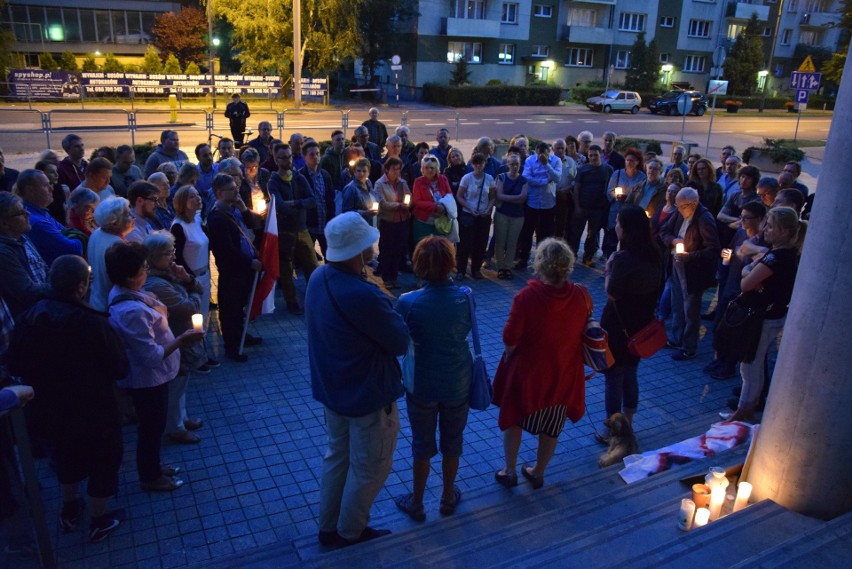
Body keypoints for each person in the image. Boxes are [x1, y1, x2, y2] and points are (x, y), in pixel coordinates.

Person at [305, 212, 409, 548]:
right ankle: (350, 531)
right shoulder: (364, 294)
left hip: (333, 391)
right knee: (369, 468)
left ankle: (328, 527)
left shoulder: (318, 278)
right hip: (367, 397)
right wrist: (382, 297)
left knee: (337, 458)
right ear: (357, 250)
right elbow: (399, 342)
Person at [8, 255, 129, 542]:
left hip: (48, 408)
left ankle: (70, 507)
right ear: (80, 287)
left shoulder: (29, 317)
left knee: (65, 457)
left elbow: (14, 364)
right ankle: (100, 518)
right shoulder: (92, 323)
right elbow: (119, 367)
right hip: (93, 408)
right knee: (103, 460)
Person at [106, 242, 202, 492]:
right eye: (143, 268)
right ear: (130, 275)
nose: (147, 272)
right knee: (151, 428)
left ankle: (154, 465)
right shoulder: (129, 311)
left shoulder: (127, 292)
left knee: (155, 425)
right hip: (147, 379)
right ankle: (149, 477)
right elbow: (151, 356)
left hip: (154, 377)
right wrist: (181, 339)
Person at [492, 238, 587, 489]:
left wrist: (511, 353)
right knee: (552, 426)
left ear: (540, 264)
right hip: (562, 373)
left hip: (528, 375)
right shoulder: (580, 295)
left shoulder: (526, 297)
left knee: (514, 419)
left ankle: (510, 470)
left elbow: (510, 339)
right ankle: (538, 472)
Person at [393, 236, 471, 521]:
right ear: (451, 263)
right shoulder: (466, 296)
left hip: (421, 382)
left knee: (421, 443)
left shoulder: (408, 302)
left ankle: (417, 501)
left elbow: (397, 340)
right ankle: (448, 496)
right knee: (454, 440)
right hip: (458, 381)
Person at [722, 207, 805, 422]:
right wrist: (751, 272)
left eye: (770, 226)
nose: (765, 229)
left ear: (785, 232)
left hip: (762, 319)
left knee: (750, 366)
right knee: (752, 364)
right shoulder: (778, 253)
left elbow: (746, 283)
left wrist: (750, 273)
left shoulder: (777, 257)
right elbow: (749, 275)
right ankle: (746, 407)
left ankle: (744, 410)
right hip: (767, 316)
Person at [599, 206, 663, 439]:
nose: (615, 226)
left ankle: (612, 429)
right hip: (641, 325)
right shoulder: (654, 253)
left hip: (618, 326)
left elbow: (613, 292)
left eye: (618, 222)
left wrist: (609, 270)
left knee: (613, 376)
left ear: (626, 229)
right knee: (630, 374)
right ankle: (629, 421)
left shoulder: (624, 258)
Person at [142, 232, 206, 444]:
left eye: (173, 251)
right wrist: (194, 295)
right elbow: (188, 307)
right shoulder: (155, 284)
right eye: (168, 253)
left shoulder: (168, 274)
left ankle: (182, 418)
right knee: (175, 386)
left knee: (182, 382)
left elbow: (196, 289)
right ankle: (175, 427)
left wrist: (187, 280)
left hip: (182, 338)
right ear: (154, 256)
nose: (173, 257)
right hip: (174, 339)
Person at [705, 201, 767, 380]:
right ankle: (719, 359)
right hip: (730, 284)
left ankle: (729, 365)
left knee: (734, 331)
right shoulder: (740, 233)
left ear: (760, 219)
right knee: (721, 327)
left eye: (748, 218)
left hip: (745, 292)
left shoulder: (763, 242)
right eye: (742, 217)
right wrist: (727, 257)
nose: (743, 221)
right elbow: (730, 251)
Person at [207, 174, 264, 361]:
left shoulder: (235, 208)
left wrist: (244, 209)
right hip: (232, 272)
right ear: (219, 193)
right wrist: (249, 262)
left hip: (244, 271)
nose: (236, 191)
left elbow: (253, 225)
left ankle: (242, 336)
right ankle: (232, 346)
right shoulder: (217, 217)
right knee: (230, 310)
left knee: (239, 307)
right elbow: (227, 250)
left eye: (236, 187)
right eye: (231, 189)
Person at [659, 188, 721, 360]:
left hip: (693, 270)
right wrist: (673, 240)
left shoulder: (704, 219)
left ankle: (689, 346)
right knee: (677, 302)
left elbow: (713, 250)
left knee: (690, 309)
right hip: (676, 263)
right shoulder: (681, 212)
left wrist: (690, 256)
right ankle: (676, 338)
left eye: (681, 206)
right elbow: (663, 230)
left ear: (692, 204)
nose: (678, 209)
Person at [171, 185, 217, 370]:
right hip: (190, 279)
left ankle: (201, 352)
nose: (198, 199)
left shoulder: (197, 220)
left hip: (204, 274)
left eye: (198, 195)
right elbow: (178, 256)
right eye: (192, 197)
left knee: (203, 315)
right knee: (193, 317)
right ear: (182, 203)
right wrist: (189, 279)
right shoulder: (178, 227)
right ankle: (194, 356)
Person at [267, 144, 317, 315]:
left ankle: (315, 298)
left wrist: (295, 203)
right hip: (285, 231)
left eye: (289, 156)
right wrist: (300, 203)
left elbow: (312, 200)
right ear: (276, 159)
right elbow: (280, 206)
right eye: (283, 157)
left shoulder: (298, 177)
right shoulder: (273, 181)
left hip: (302, 229)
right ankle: (291, 301)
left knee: (312, 265)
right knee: (286, 269)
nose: (288, 160)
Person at [17, 169, 83, 265]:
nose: (51, 189)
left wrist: (72, 235)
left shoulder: (41, 212)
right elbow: (73, 249)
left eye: (50, 184)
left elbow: (68, 231)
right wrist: (81, 238)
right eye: (45, 185)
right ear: (30, 190)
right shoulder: (36, 222)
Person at [0, 192, 50, 318]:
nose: (28, 214)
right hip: (31, 322)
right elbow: (27, 292)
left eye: (25, 210)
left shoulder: (23, 238)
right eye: (21, 213)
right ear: (4, 223)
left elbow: (44, 269)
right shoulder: (3, 253)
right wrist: (65, 285)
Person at [515, 142, 561, 270]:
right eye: (539, 153)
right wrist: (544, 181)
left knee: (545, 234)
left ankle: (543, 261)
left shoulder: (556, 161)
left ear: (549, 152)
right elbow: (526, 178)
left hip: (548, 204)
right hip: (532, 203)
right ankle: (523, 258)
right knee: (527, 233)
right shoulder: (530, 160)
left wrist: (546, 165)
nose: (541, 156)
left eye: (544, 153)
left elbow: (557, 178)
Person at [570, 145, 614, 266]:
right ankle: (572, 255)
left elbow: (612, 187)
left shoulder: (608, 169)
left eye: (595, 155)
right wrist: (577, 206)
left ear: (600, 155)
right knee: (576, 233)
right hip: (583, 206)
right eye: (590, 155)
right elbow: (577, 188)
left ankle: (588, 257)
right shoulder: (583, 170)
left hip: (598, 208)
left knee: (593, 234)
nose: (593, 158)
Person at [373, 157, 410, 289]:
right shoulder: (379, 184)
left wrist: (407, 204)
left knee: (398, 250)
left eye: (398, 169)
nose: (397, 172)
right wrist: (399, 205)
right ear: (387, 169)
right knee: (387, 250)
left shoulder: (402, 183)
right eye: (394, 169)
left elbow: (408, 196)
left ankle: (394, 277)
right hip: (388, 222)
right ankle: (387, 278)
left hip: (401, 221)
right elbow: (382, 203)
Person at [455, 153, 494, 280]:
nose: (478, 166)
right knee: (464, 245)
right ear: (472, 164)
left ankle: (476, 269)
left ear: (484, 164)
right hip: (468, 215)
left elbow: (492, 197)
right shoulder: (467, 178)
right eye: (476, 163)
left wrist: (488, 210)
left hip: (483, 216)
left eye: (481, 163)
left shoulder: (489, 179)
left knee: (480, 243)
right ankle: (461, 270)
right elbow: (459, 196)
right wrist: (470, 208)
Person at [603, 148, 646, 259]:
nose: (629, 163)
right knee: (612, 239)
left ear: (638, 162)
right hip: (616, 211)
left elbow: (641, 195)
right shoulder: (617, 174)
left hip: (631, 212)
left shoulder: (642, 178)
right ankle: (610, 262)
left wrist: (629, 198)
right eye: (627, 160)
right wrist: (616, 195)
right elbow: (610, 190)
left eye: (632, 160)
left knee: (627, 240)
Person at [493, 153, 528, 280]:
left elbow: (523, 198)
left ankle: (508, 267)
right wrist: (516, 198)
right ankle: (500, 267)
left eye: (517, 164)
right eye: (512, 164)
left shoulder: (524, 180)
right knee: (500, 241)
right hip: (502, 214)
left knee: (512, 242)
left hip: (518, 216)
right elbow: (499, 196)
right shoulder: (501, 177)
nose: (514, 166)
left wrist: (509, 198)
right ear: (508, 165)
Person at [300, 140, 335, 259]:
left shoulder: (325, 175)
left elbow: (330, 198)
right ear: (304, 157)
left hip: (325, 222)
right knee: (308, 257)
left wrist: (332, 218)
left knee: (330, 256)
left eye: (317, 153)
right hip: (310, 224)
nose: (315, 157)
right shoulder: (300, 176)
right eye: (312, 154)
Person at [411, 155, 452, 244]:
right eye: (426, 168)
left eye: (432, 168)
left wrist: (444, 208)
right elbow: (417, 201)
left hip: (441, 221)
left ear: (436, 168)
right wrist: (435, 207)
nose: (429, 170)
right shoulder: (418, 181)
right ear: (422, 169)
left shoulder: (443, 179)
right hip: (424, 221)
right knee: (424, 248)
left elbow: (449, 196)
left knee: (440, 247)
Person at [552, 138, 578, 242]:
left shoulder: (570, 161)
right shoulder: (549, 161)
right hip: (552, 198)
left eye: (562, 148)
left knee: (563, 224)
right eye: (558, 148)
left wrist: (566, 190)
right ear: (553, 149)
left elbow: (574, 179)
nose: (560, 150)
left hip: (565, 197)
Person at [34, 158, 68, 224]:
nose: (57, 175)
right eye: (52, 172)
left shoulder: (60, 189)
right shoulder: (37, 195)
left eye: (56, 171)